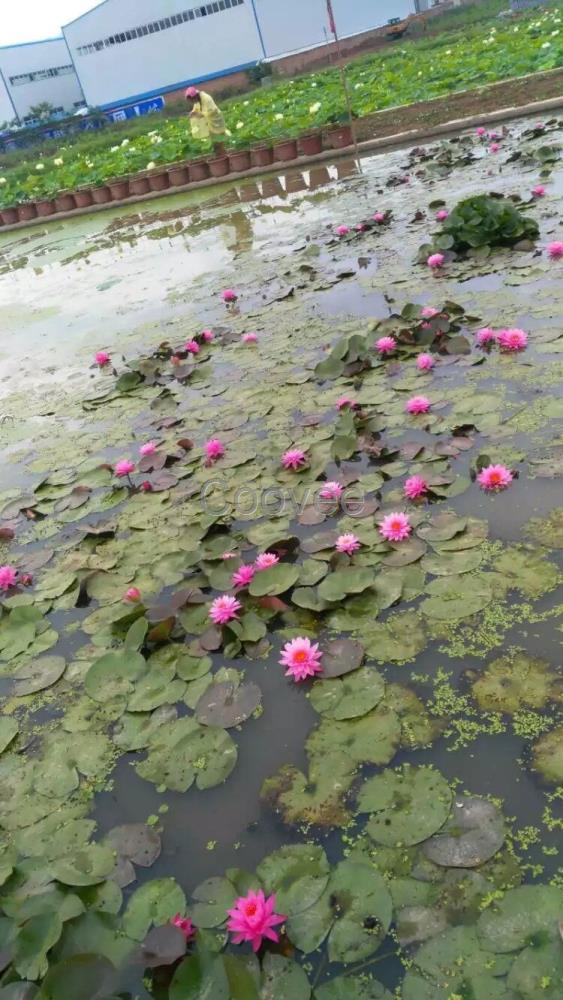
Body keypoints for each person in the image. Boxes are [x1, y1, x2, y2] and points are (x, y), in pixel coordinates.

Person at [185, 86, 228, 155]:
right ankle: (220, 157)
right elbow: (196, 109)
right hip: (209, 123)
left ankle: (225, 157)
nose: (193, 102)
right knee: (214, 144)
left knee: (219, 143)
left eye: (192, 100)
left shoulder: (206, 98)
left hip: (216, 121)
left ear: (195, 96)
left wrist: (199, 114)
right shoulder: (198, 100)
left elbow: (211, 111)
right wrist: (192, 113)